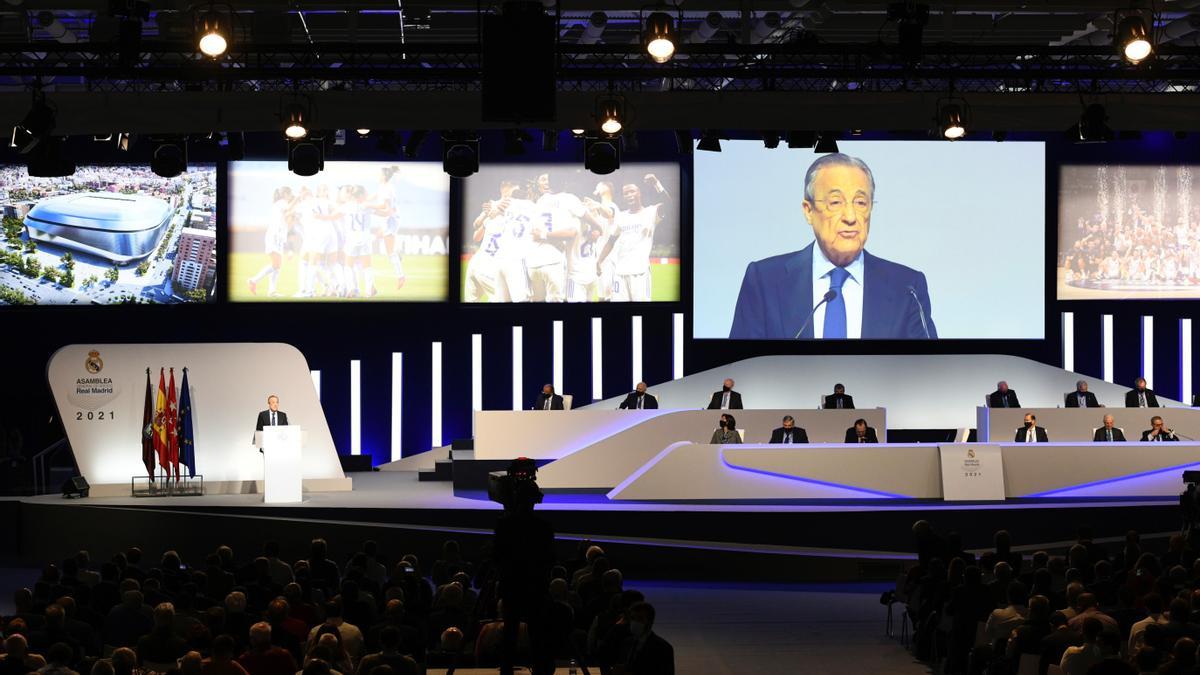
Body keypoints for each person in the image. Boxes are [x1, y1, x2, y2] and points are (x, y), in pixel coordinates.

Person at [730, 153, 937, 339]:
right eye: (836, 202)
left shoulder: (907, 288)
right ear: (808, 211)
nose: (850, 217)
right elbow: (742, 366)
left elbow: (927, 370)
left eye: (860, 203)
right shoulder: (764, 281)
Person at [595, 174, 671, 302]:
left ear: (639, 193)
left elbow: (669, 204)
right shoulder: (621, 216)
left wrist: (656, 184)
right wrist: (599, 260)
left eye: (632, 191)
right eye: (626, 193)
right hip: (619, 274)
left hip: (640, 273)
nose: (629, 195)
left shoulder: (651, 212)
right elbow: (611, 241)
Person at [615, 601, 674, 675]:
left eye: (640, 618)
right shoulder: (627, 643)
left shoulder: (663, 648)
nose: (635, 622)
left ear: (650, 622)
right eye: (633, 618)